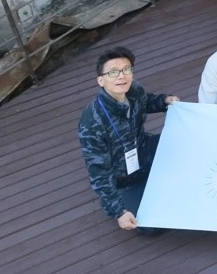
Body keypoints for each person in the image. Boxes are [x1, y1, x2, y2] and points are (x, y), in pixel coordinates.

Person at [77, 47, 180, 234]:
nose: (121, 76)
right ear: (101, 80)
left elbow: (147, 102)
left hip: (143, 149)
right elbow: (99, 173)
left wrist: (164, 101)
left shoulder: (135, 90)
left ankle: (156, 181)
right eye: (113, 72)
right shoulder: (91, 122)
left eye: (126, 69)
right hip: (123, 179)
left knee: (183, 145)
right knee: (150, 226)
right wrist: (118, 212)